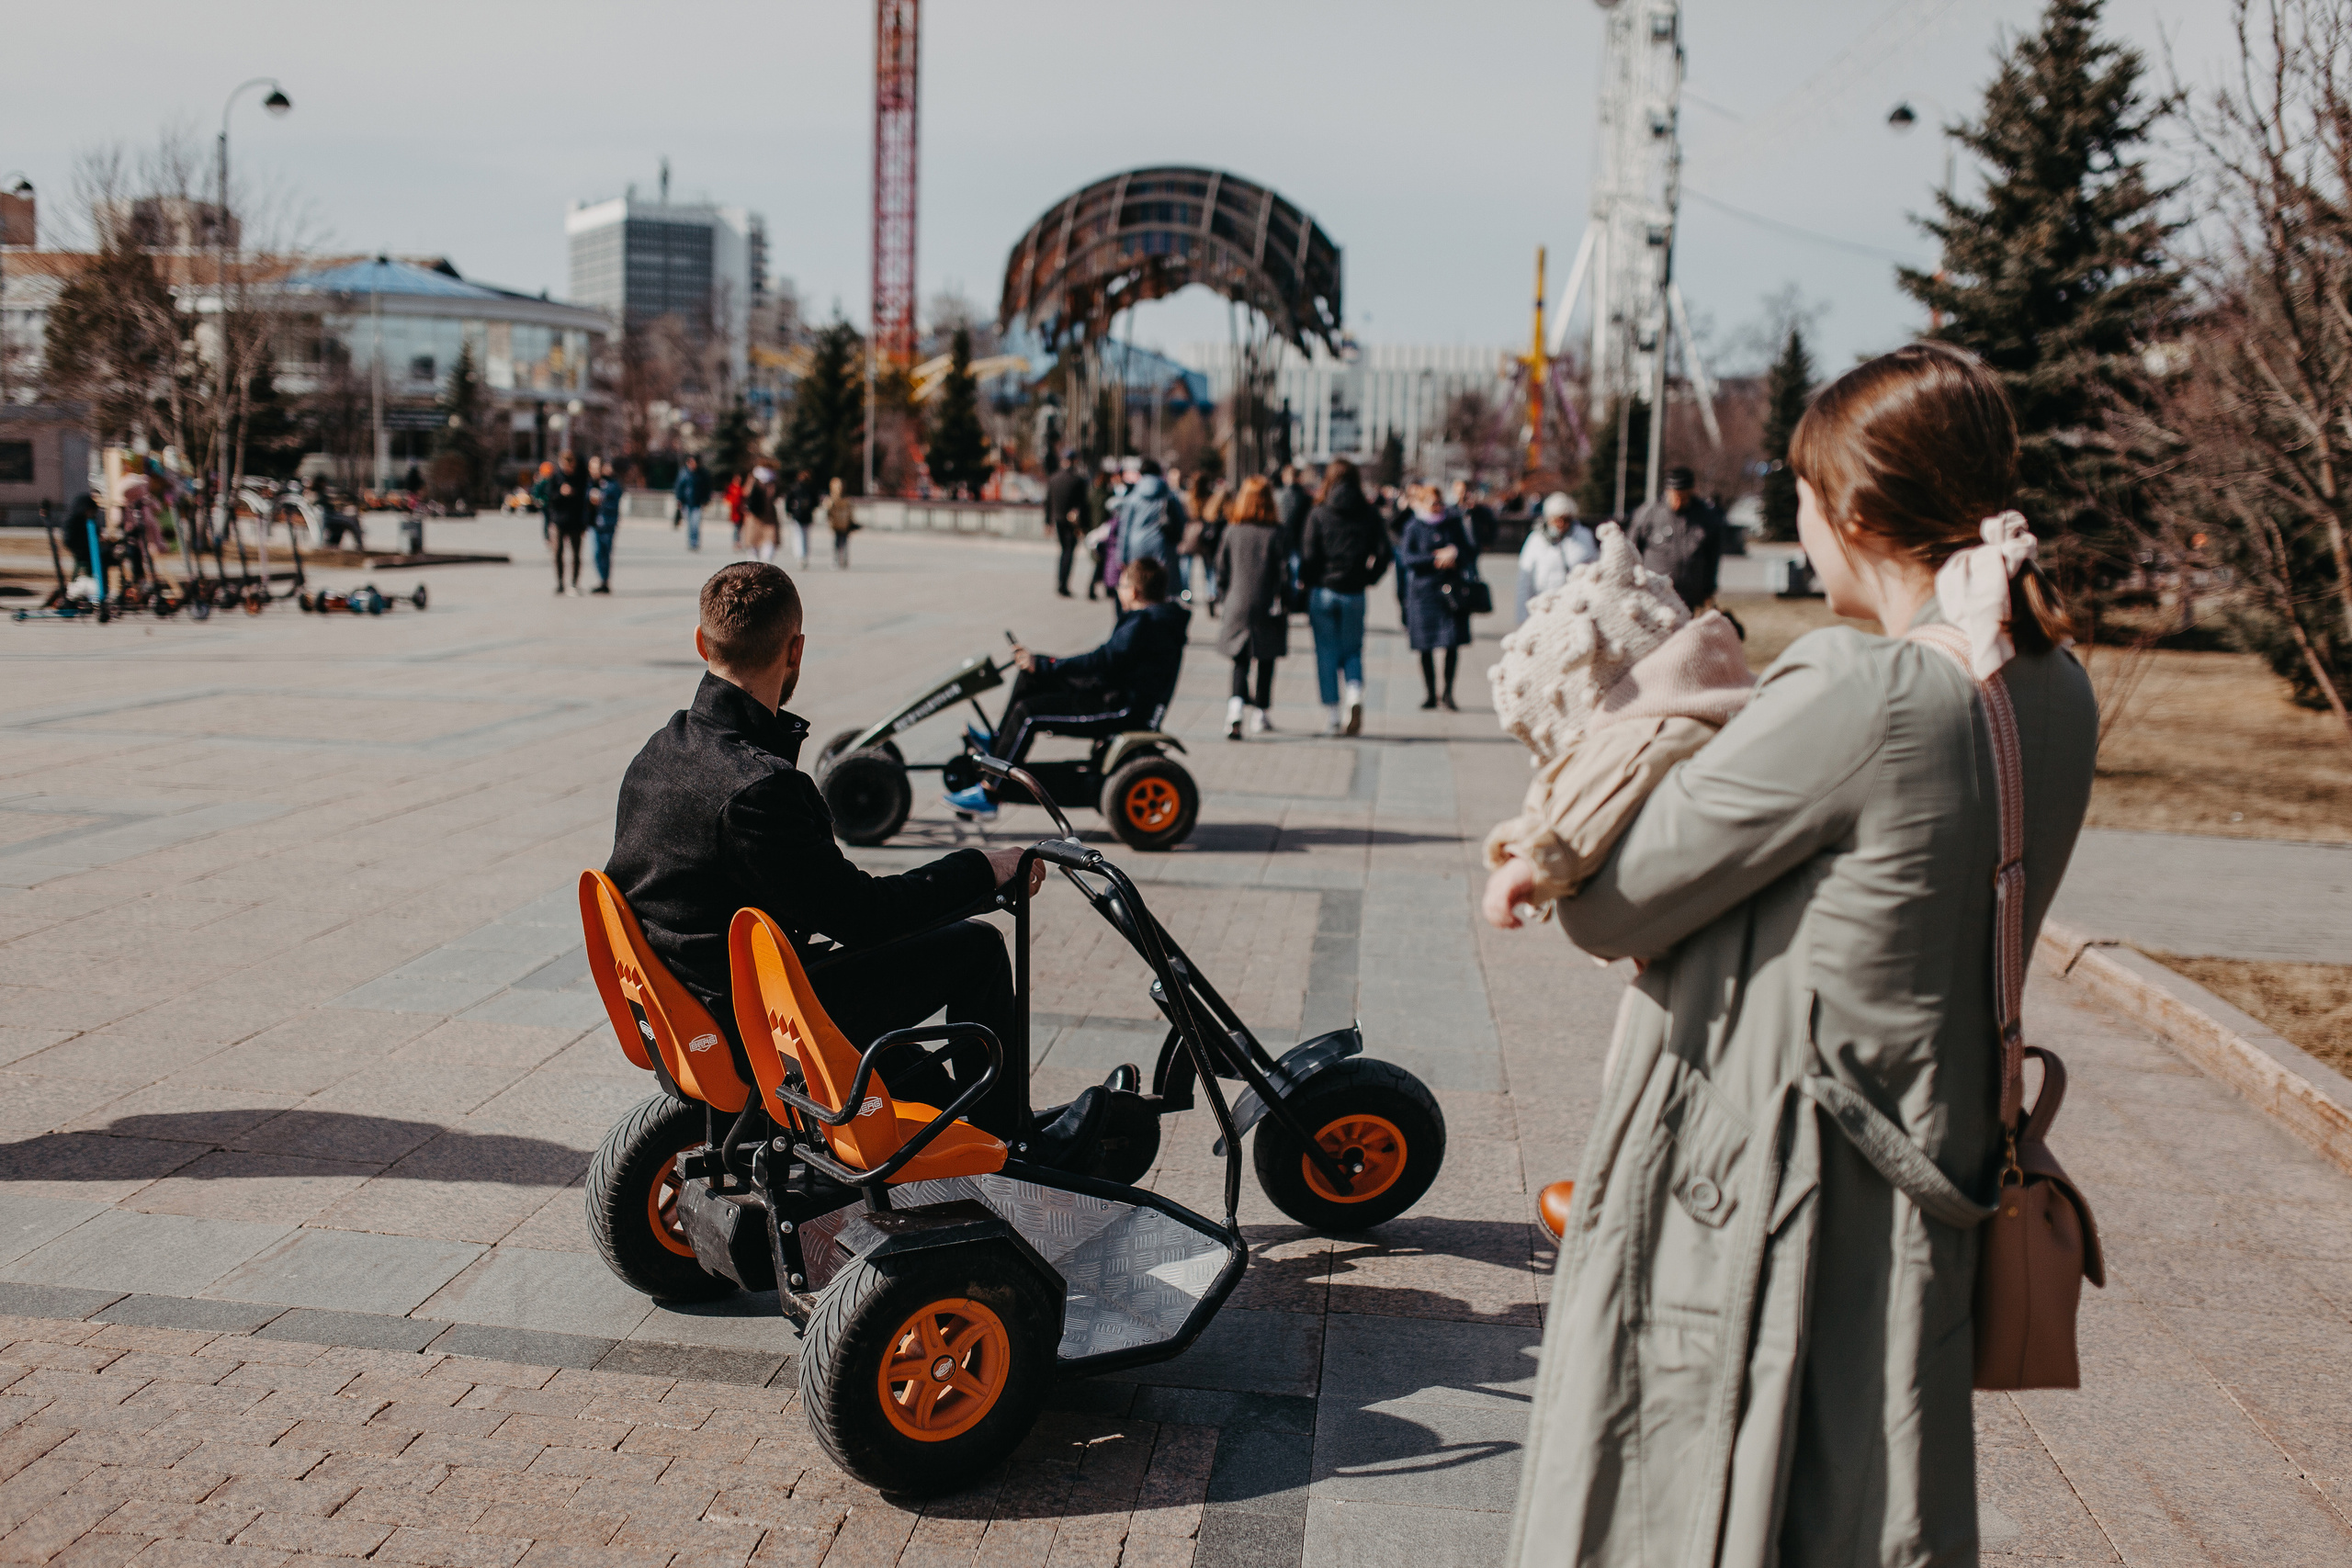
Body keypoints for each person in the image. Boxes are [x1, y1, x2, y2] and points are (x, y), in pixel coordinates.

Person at [1498, 343, 2097, 1568]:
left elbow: (1610, 906)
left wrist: (1630, 735)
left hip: (1760, 1185)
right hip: (1926, 1165)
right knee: (1860, 1498)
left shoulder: (1859, 684)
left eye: (1808, 499)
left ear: (1860, 509)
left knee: (1694, 1500)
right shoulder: (2055, 684)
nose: (1801, 525)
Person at [605, 562, 1116, 1161]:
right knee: (973, 950)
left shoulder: (660, 749)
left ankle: (956, 1124)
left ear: (701, 642)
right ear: (795, 650)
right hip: (749, 1024)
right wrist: (982, 867)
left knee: (870, 980)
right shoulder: (758, 786)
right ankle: (1012, 1143)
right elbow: (865, 915)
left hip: (692, 1000)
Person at [945, 558, 1190, 821]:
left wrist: (1047, 665)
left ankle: (989, 792)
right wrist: (1041, 666)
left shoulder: (1145, 623)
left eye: (1121, 586)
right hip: (1111, 691)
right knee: (1031, 678)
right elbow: (1107, 663)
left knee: (1028, 713)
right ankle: (1000, 743)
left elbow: (1101, 660)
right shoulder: (1152, 619)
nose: (1117, 592)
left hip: (1122, 708)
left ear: (1132, 592)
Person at [1298, 458, 1390, 736]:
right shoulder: (1369, 513)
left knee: (1326, 652)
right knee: (1352, 650)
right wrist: (1368, 577)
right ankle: (1354, 694)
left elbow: (1309, 555)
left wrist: (1308, 582)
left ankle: (1333, 715)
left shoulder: (1319, 512)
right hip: (1354, 591)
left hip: (1324, 591)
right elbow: (1385, 553)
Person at [1214, 476, 1289, 739]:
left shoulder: (1232, 531)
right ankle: (1261, 713)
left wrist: (1223, 596)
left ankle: (1234, 712)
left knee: (1240, 660)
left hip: (1238, 602)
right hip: (1267, 604)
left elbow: (1221, 569)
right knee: (1266, 659)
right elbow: (1284, 573)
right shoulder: (1276, 533)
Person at [1397, 484, 1477, 710]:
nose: (1437, 507)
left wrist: (1455, 554)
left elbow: (1469, 550)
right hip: (1423, 593)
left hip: (1451, 591)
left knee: (1452, 643)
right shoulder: (1413, 526)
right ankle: (1431, 693)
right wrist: (1434, 558)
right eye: (1432, 503)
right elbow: (1407, 559)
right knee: (1425, 645)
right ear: (1423, 504)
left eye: (1439, 503)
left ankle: (1449, 692)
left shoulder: (1453, 523)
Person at [1628, 463, 1725, 611]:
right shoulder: (1649, 513)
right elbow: (1630, 550)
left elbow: (1712, 556)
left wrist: (1708, 589)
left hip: (1689, 599)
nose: (1680, 503)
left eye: (1685, 498)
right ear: (1667, 492)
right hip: (1654, 596)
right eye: (1676, 497)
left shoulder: (1705, 517)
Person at [1515, 491, 1600, 623]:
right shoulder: (1536, 539)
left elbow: (1595, 570)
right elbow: (1524, 579)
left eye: (1565, 519)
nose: (1561, 524)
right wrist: (1522, 616)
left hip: (1574, 607)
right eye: (1556, 519)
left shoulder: (1584, 536)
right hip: (1543, 605)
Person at [1114, 457, 1185, 593]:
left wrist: (1122, 556)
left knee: (1139, 584)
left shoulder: (1133, 497)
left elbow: (1124, 528)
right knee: (1162, 585)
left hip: (1137, 545)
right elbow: (1180, 520)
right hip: (1163, 545)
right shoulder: (1169, 495)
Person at [1046, 449, 1091, 597]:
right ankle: (1063, 584)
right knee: (1069, 552)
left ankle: (1060, 582)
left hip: (1058, 519)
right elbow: (1083, 504)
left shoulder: (1053, 478)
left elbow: (1048, 502)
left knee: (1063, 550)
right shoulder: (1078, 480)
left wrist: (1047, 522)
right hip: (1073, 522)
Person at [546, 450, 589, 596]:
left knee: (576, 555)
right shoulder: (556, 478)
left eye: (571, 464)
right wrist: (560, 493)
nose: (568, 467)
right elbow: (549, 499)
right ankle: (559, 582)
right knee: (557, 553)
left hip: (576, 522)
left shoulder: (579, 478)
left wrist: (584, 524)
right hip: (558, 521)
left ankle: (575, 583)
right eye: (565, 464)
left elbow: (584, 501)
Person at [589, 457, 624, 593]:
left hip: (608, 523)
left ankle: (605, 581)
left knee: (605, 552)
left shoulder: (612, 484)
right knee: (597, 552)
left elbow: (615, 499)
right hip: (594, 523)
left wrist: (602, 499)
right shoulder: (592, 482)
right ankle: (602, 579)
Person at [1272, 463, 1313, 578]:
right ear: (1299, 478)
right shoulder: (1306, 498)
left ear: (1284, 478)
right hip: (1299, 540)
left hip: (1280, 539)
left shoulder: (1277, 495)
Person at [741, 468, 780, 563]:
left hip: (756, 517)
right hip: (765, 516)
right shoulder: (772, 480)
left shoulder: (753, 478)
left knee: (754, 545)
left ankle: (757, 564)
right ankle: (764, 564)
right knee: (768, 543)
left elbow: (745, 492)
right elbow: (774, 495)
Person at [1451, 479, 1500, 553]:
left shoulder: (1477, 510)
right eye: (1460, 492)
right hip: (1457, 548)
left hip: (1473, 548)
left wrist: (1488, 541)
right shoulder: (1451, 510)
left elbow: (1492, 523)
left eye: (1466, 491)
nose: (1463, 494)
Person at [673, 455, 710, 552]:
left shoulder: (702, 474)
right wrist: (679, 499)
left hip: (697, 503)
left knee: (696, 523)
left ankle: (695, 542)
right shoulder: (683, 473)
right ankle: (691, 542)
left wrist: (706, 500)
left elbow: (707, 488)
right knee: (689, 524)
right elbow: (678, 487)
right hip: (686, 502)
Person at [784, 469, 820, 568]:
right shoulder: (811, 488)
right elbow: (816, 502)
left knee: (797, 536)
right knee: (806, 536)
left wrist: (788, 511)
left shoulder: (794, 487)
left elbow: (788, 500)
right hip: (807, 515)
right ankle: (804, 555)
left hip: (797, 515)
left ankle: (800, 556)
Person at [823, 476, 854, 568]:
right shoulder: (832, 499)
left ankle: (843, 559)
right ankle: (837, 559)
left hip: (844, 524)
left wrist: (851, 521)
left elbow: (850, 512)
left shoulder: (847, 500)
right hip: (836, 524)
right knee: (837, 543)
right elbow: (828, 510)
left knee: (844, 542)